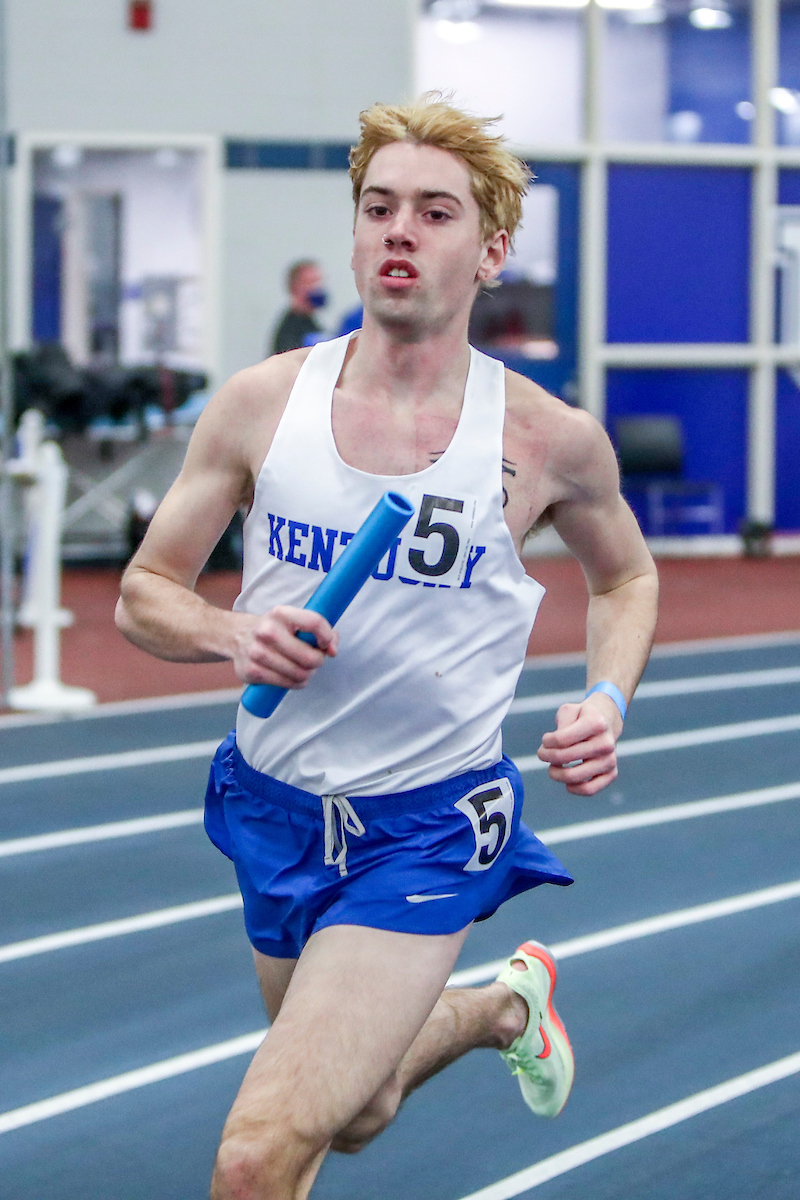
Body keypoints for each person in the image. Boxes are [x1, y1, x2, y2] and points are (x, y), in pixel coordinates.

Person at [115, 95, 659, 1200]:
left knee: (256, 1156)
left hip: (425, 830)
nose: (397, 230)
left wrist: (605, 699)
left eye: (433, 211)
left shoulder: (546, 440)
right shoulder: (264, 403)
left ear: (490, 249)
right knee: (352, 1111)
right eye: (377, 207)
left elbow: (628, 578)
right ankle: (500, 1006)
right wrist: (232, 630)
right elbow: (141, 593)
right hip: (273, 806)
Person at [270, 260, 328, 355]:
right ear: (296, 287)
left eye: (319, 281)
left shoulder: (312, 323)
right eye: (312, 282)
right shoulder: (289, 332)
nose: (318, 287)